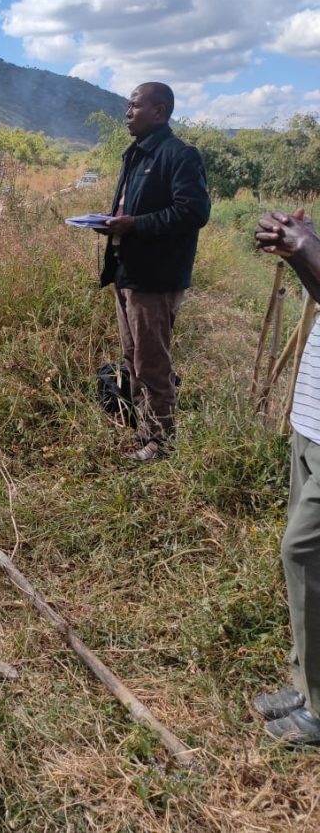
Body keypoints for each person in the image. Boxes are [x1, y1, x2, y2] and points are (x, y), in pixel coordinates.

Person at [101, 82, 210, 461]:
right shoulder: (135, 154)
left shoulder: (179, 155)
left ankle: (160, 444)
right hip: (127, 272)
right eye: (128, 106)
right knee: (132, 359)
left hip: (155, 278)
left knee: (152, 363)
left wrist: (135, 224)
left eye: (134, 106)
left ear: (160, 111)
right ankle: (144, 433)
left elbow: (194, 212)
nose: (127, 113)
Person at [252, 208, 320, 745]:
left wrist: (307, 247)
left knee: (304, 553)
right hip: (312, 420)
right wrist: (296, 252)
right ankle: (305, 681)